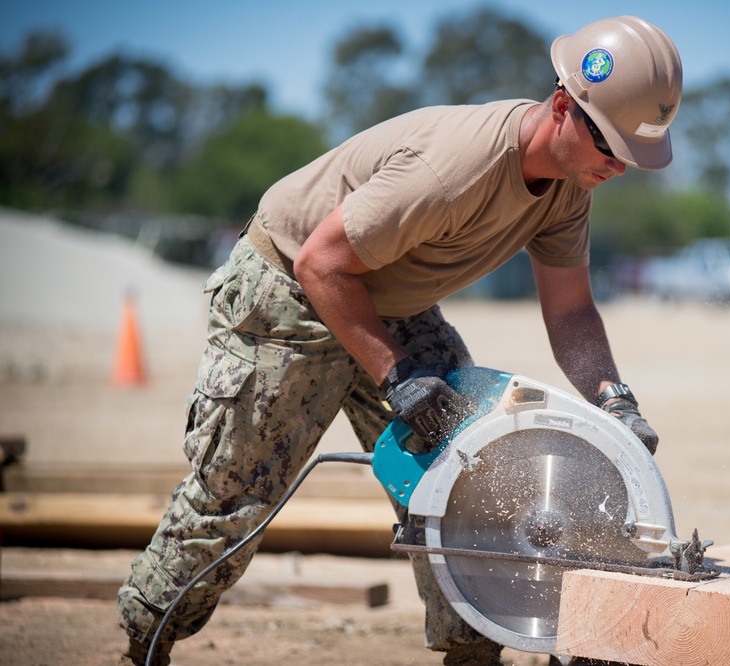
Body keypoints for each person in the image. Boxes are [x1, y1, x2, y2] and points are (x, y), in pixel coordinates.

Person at [117, 14, 682, 666]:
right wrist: (396, 375)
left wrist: (616, 401)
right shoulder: (455, 171)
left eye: (630, 159)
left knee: (478, 477)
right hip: (290, 294)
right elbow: (321, 264)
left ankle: (475, 652)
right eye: (609, 147)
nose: (617, 168)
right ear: (562, 106)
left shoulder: (568, 187)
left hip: (388, 298)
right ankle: (146, 635)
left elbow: (573, 310)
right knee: (238, 495)